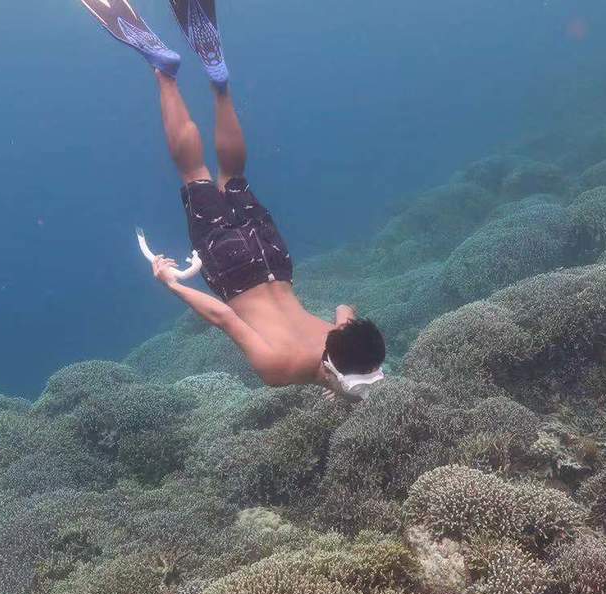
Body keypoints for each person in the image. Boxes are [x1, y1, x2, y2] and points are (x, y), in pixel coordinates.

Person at [79, 0, 387, 399]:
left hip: (275, 260)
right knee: (195, 174)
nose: (360, 396)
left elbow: (345, 309)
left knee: (233, 177)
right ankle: (164, 71)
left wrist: (346, 342)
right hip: (234, 271)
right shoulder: (281, 367)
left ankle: (219, 84)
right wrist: (171, 284)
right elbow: (225, 317)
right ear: (333, 371)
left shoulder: (339, 335)